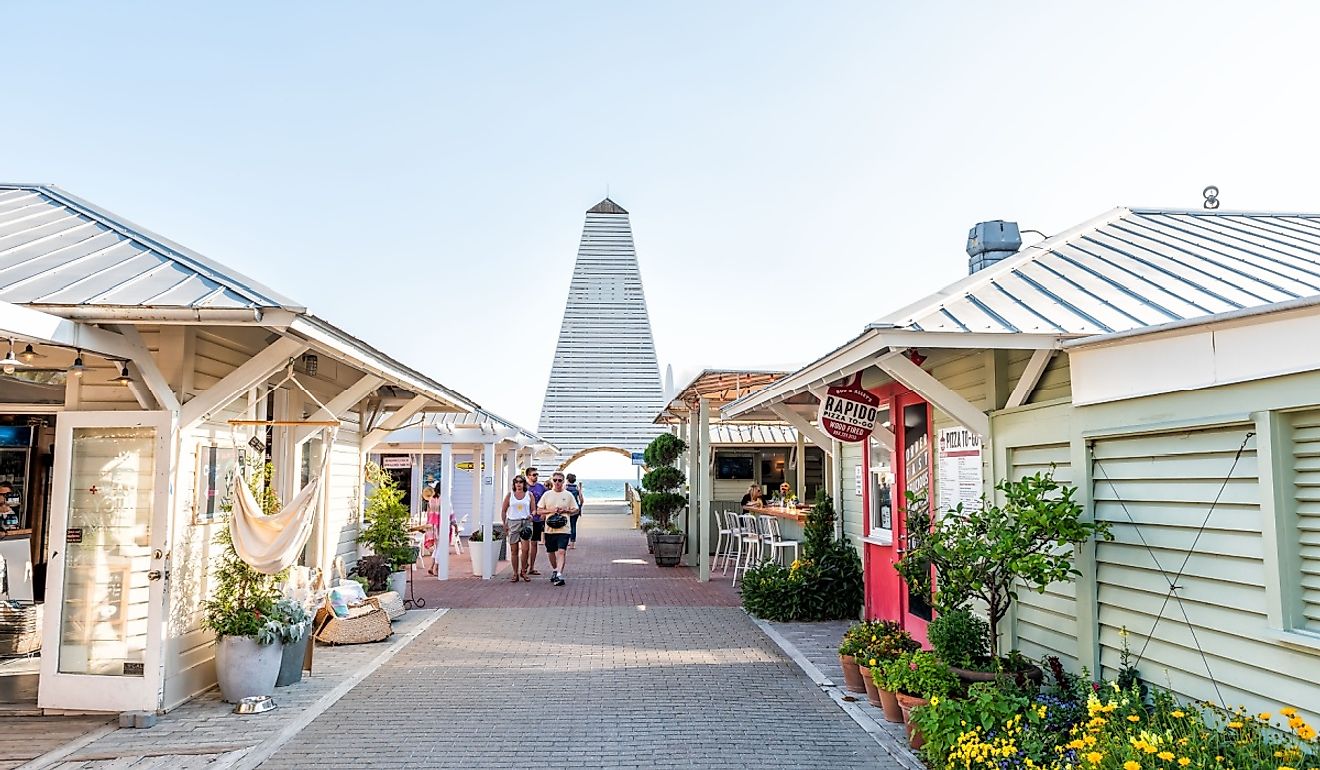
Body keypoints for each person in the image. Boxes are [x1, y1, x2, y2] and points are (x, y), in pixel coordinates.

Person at [537, 471, 576, 586]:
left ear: (563, 481)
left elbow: (576, 509)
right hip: (550, 528)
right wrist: (551, 510)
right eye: (555, 480)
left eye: (559, 480)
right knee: (550, 551)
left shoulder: (568, 495)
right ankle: (555, 569)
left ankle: (559, 574)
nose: (557, 483)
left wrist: (566, 510)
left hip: (564, 528)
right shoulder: (547, 495)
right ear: (552, 481)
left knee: (561, 551)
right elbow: (539, 510)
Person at [501, 475, 535, 582]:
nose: (519, 484)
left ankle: (523, 570)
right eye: (516, 482)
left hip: (525, 522)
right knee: (514, 550)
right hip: (513, 522)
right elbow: (504, 510)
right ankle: (515, 573)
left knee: (525, 549)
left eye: (521, 482)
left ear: (524, 484)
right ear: (514, 484)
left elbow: (533, 509)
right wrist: (505, 523)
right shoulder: (510, 495)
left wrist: (532, 515)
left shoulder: (529, 495)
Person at [524, 467, 547, 575]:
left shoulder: (541, 487)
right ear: (528, 476)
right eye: (533, 475)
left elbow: (546, 500)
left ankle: (531, 567)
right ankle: (524, 565)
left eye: (537, 474)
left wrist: (544, 513)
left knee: (534, 543)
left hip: (537, 519)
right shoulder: (524, 487)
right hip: (525, 519)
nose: (536, 476)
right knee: (524, 545)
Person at [564, 473, 584, 549]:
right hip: (575, 509)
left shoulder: (565, 488)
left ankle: (567, 541)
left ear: (567, 479)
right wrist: (580, 506)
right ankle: (572, 543)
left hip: (567, 509)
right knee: (573, 525)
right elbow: (581, 499)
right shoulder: (577, 488)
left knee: (566, 526)